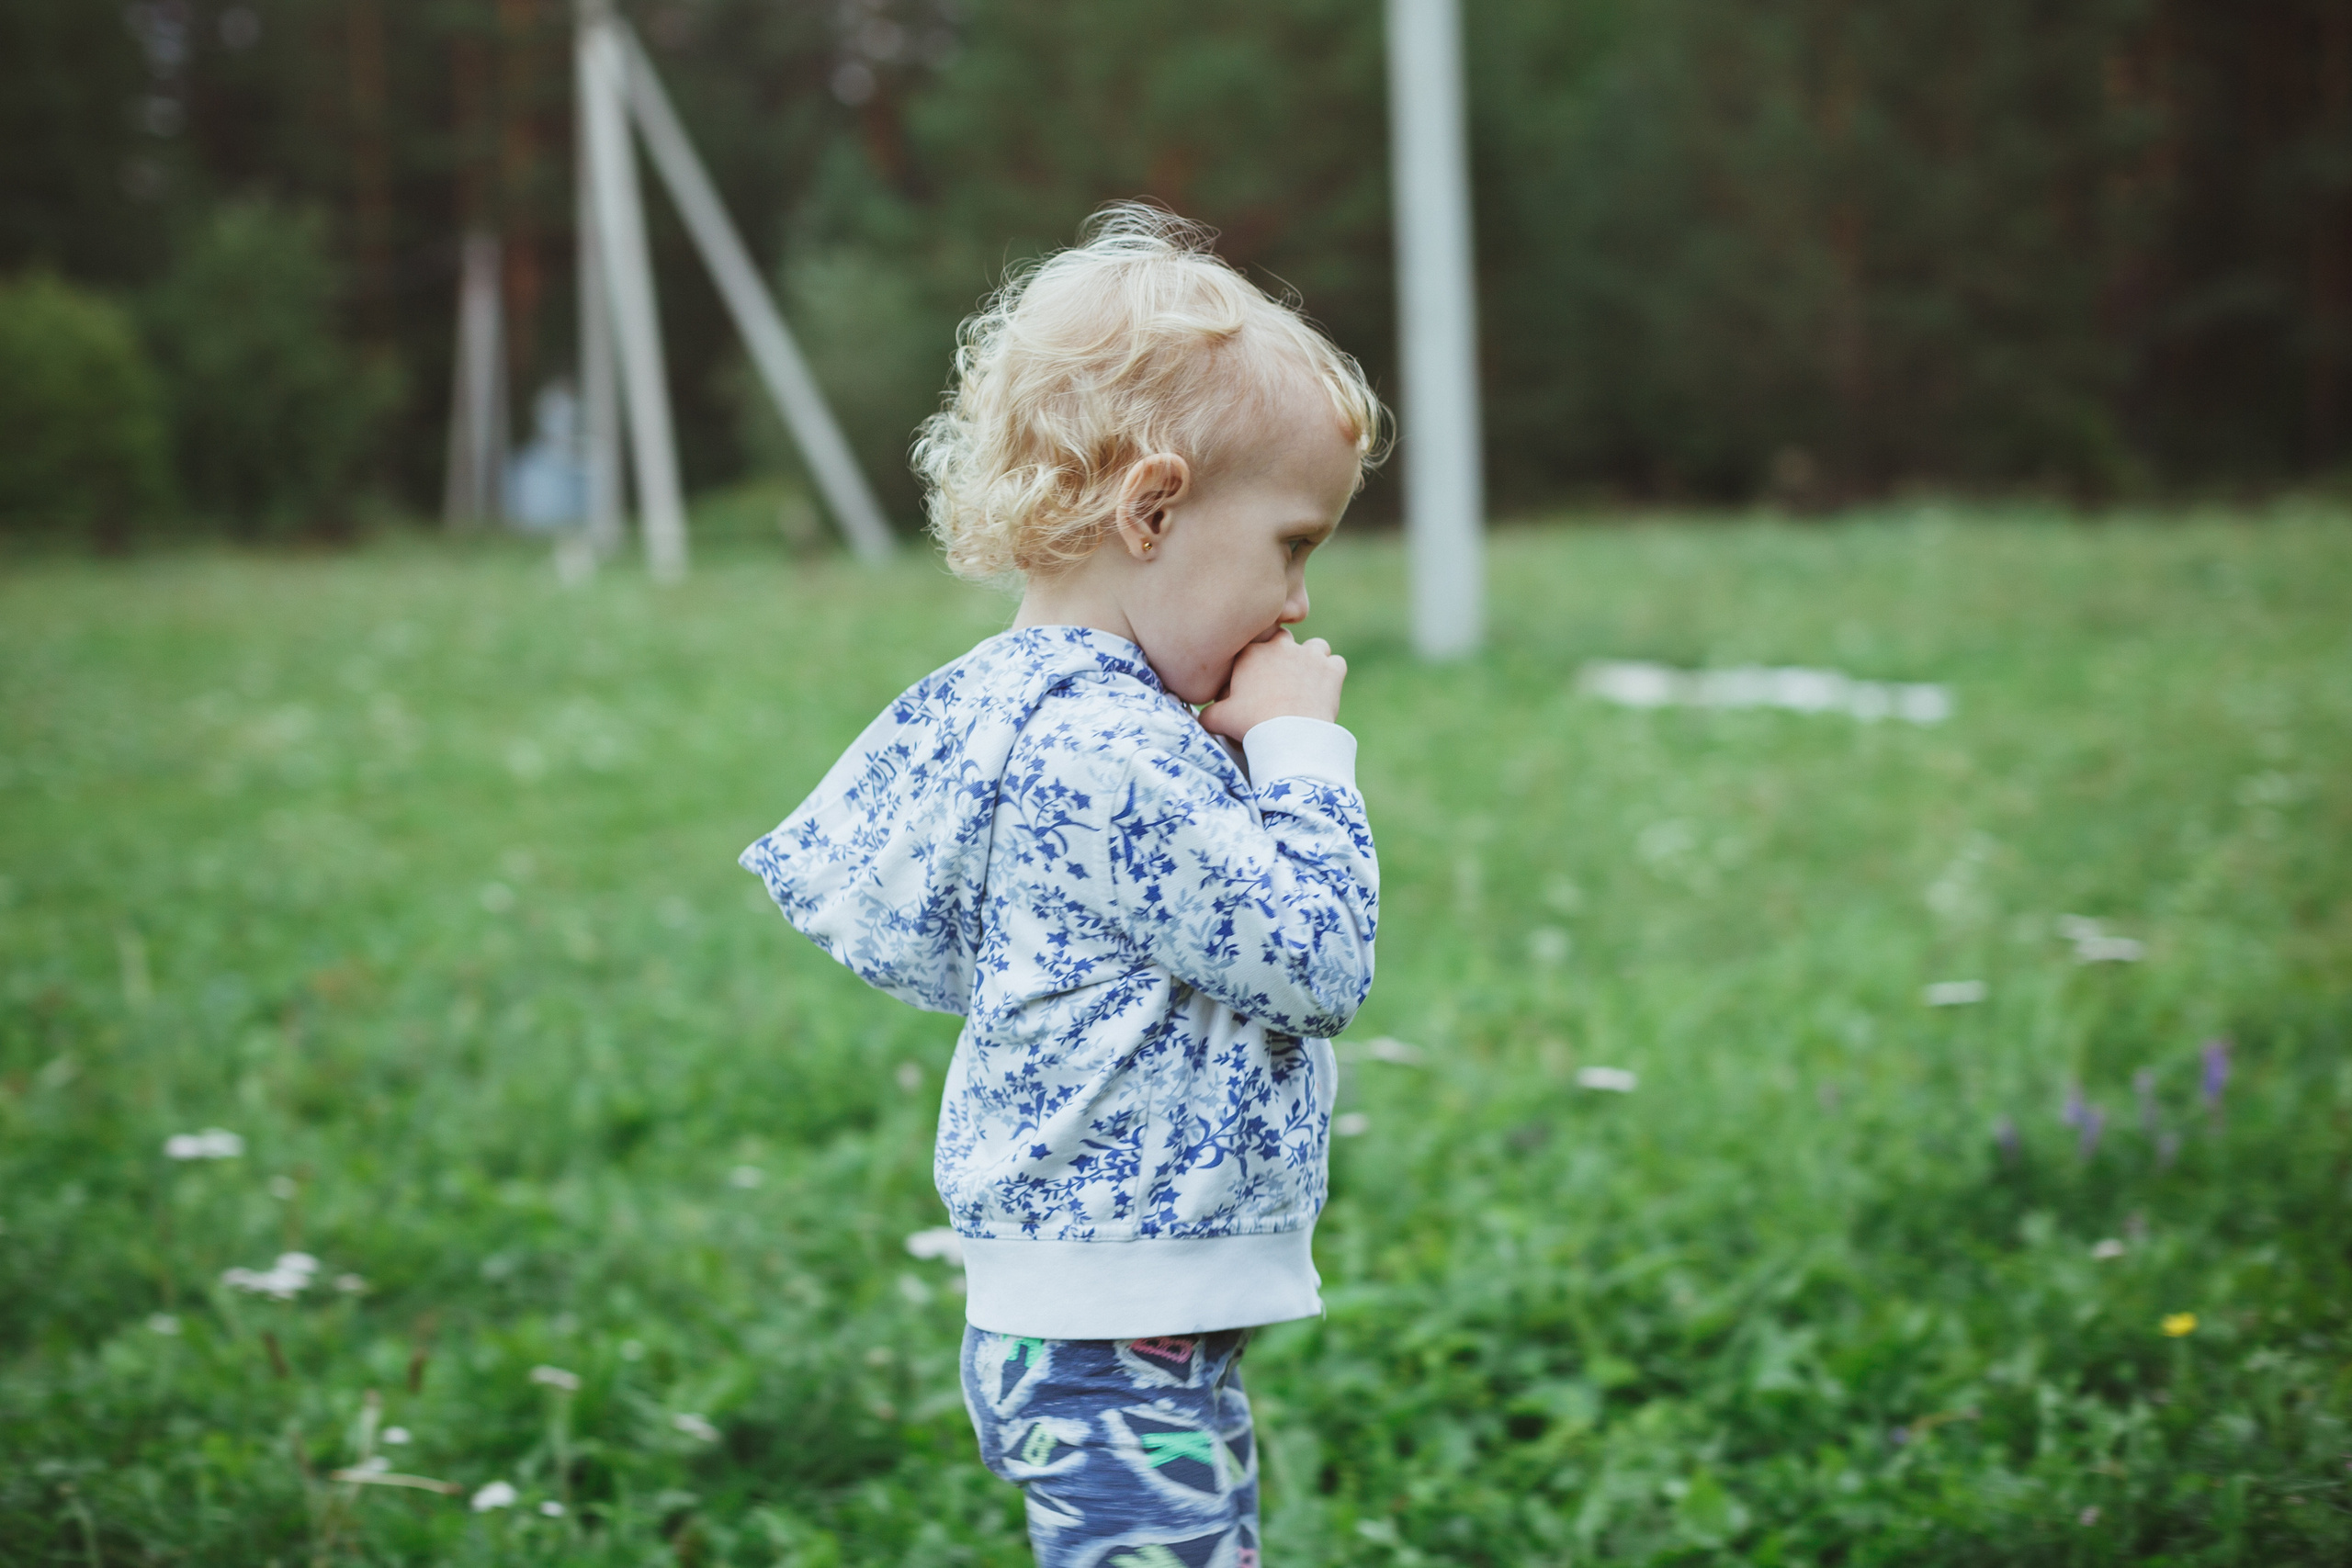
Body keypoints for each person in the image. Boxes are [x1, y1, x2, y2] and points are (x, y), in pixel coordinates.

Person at [741, 203, 1386, 1568]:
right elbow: (1317, 959)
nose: (1300, 606)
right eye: (1291, 546)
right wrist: (1302, 752)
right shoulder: (1105, 749)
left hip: (1106, 1312)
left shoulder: (1039, 709)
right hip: (1112, 1329)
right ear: (1153, 507)